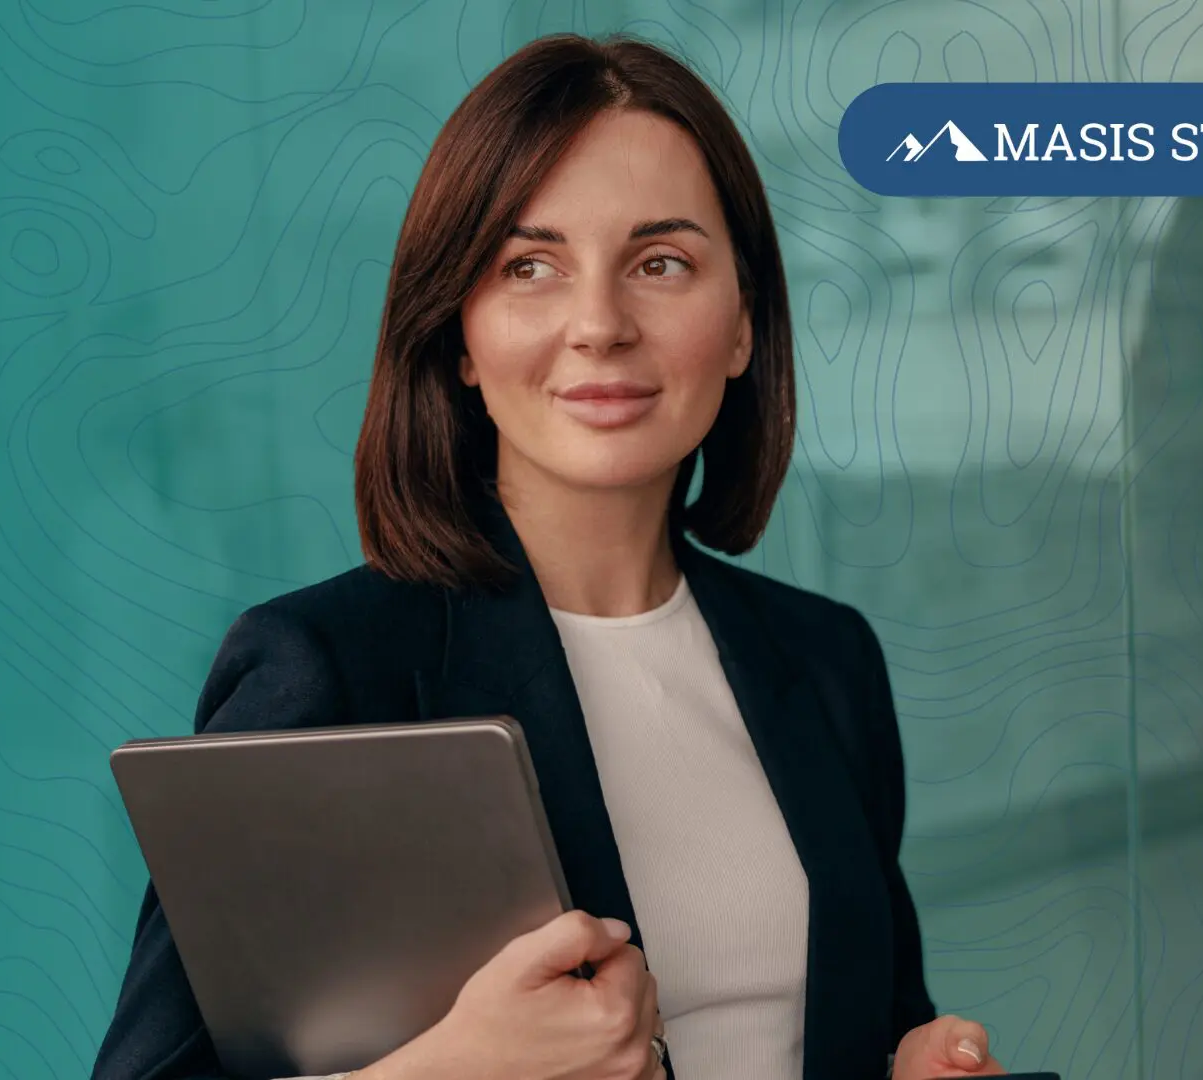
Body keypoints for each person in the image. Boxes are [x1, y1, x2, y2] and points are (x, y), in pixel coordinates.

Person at [90, 30, 1012, 1080]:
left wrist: (914, 1062)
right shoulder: (329, 669)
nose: (599, 325)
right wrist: (455, 1068)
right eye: (530, 266)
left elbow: (870, 1018)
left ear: (743, 324)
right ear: (460, 337)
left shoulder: (827, 659)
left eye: (661, 263)